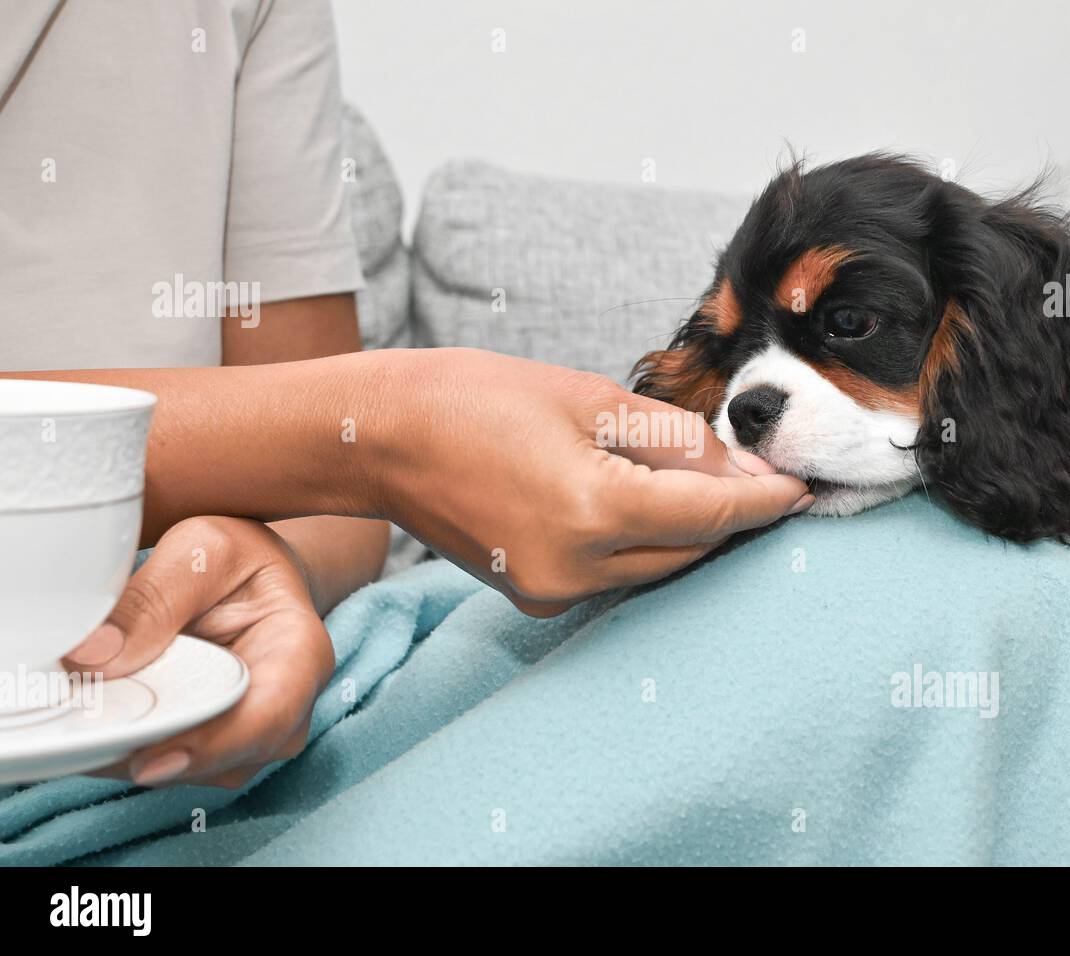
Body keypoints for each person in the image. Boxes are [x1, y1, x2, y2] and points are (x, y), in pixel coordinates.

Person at [0, 0, 809, 788]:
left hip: (179, 677)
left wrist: (262, 562)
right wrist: (388, 424)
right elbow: (339, 436)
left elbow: (333, 518)